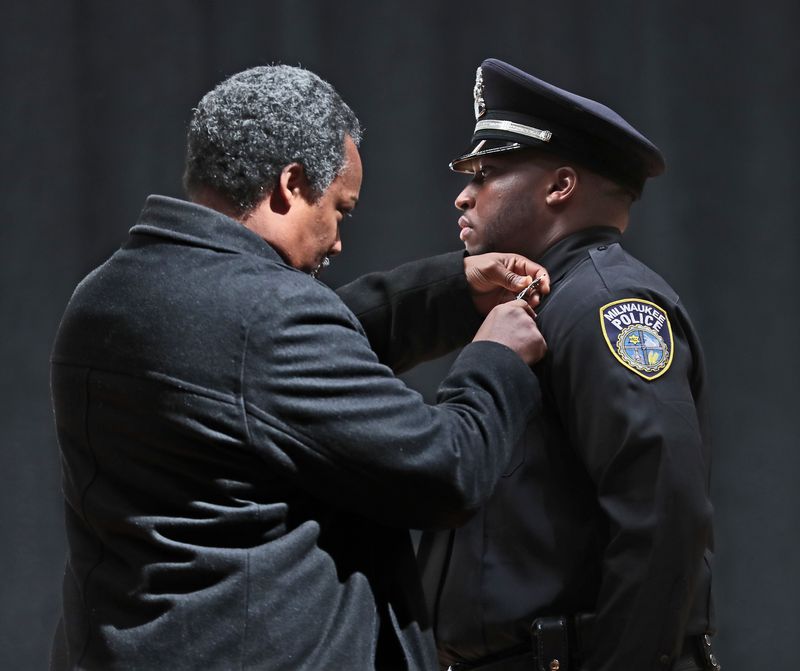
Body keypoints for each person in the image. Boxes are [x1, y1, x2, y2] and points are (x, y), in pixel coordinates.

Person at [49, 64, 552, 670]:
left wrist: (448, 290)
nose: (339, 241)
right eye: (340, 208)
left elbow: (255, 374)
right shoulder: (268, 318)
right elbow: (446, 470)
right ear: (289, 184)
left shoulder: (107, 293)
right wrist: (496, 357)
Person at [418, 58, 719, 671]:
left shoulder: (607, 304)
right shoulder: (545, 300)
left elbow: (662, 519)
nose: (464, 193)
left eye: (490, 172)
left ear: (559, 187)